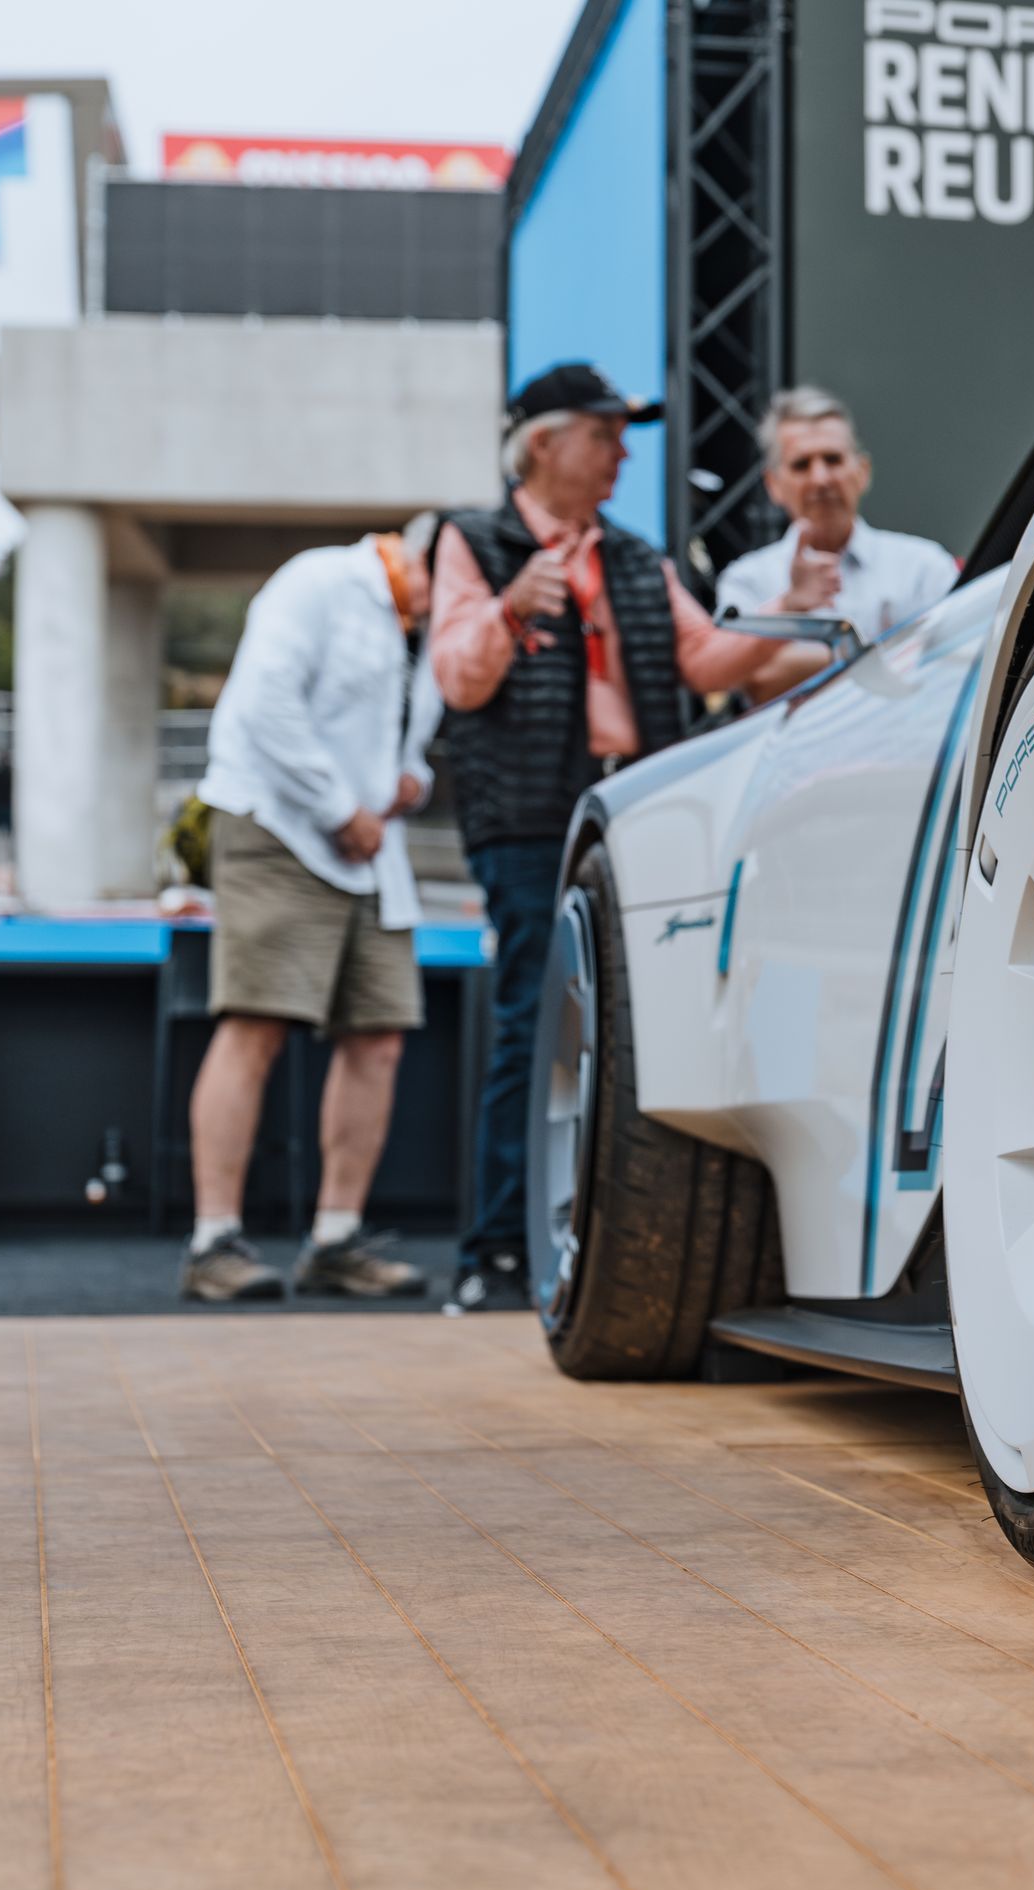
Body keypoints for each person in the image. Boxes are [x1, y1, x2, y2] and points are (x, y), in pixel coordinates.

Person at [432, 363, 832, 1311]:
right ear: (544, 445)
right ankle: (496, 1245)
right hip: (530, 815)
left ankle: (606, 1241)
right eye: (605, 435)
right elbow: (457, 677)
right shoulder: (475, 542)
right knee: (534, 1021)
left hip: (635, 814)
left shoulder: (633, 554)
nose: (621, 454)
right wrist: (509, 608)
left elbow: (702, 658)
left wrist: (790, 613)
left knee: (630, 1023)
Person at [179, 519, 442, 1304]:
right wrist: (338, 806)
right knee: (255, 1021)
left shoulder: (422, 625)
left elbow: (408, 739)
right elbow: (265, 705)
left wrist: (411, 779)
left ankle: (335, 1239)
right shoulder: (320, 580)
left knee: (380, 1036)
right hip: (281, 826)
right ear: (426, 554)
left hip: (370, 850)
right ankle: (212, 1241)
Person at [714, 386, 958, 644]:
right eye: (801, 465)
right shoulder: (747, 580)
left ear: (862, 472)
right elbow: (742, 672)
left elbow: (956, 660)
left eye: (832, 459)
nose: (820, 479)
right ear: (773, 485)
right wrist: (789, 605)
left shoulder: (923, 568)